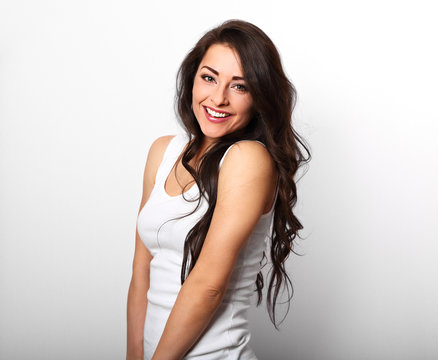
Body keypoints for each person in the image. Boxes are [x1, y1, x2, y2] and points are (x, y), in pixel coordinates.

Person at [126, 19, 310, 360]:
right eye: (209, 77)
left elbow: (208, 284)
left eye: (240, 87)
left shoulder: (247, 158)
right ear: (192, 79)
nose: (218, 98)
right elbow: (142, 271)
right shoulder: (164, 152)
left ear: (260, 99)